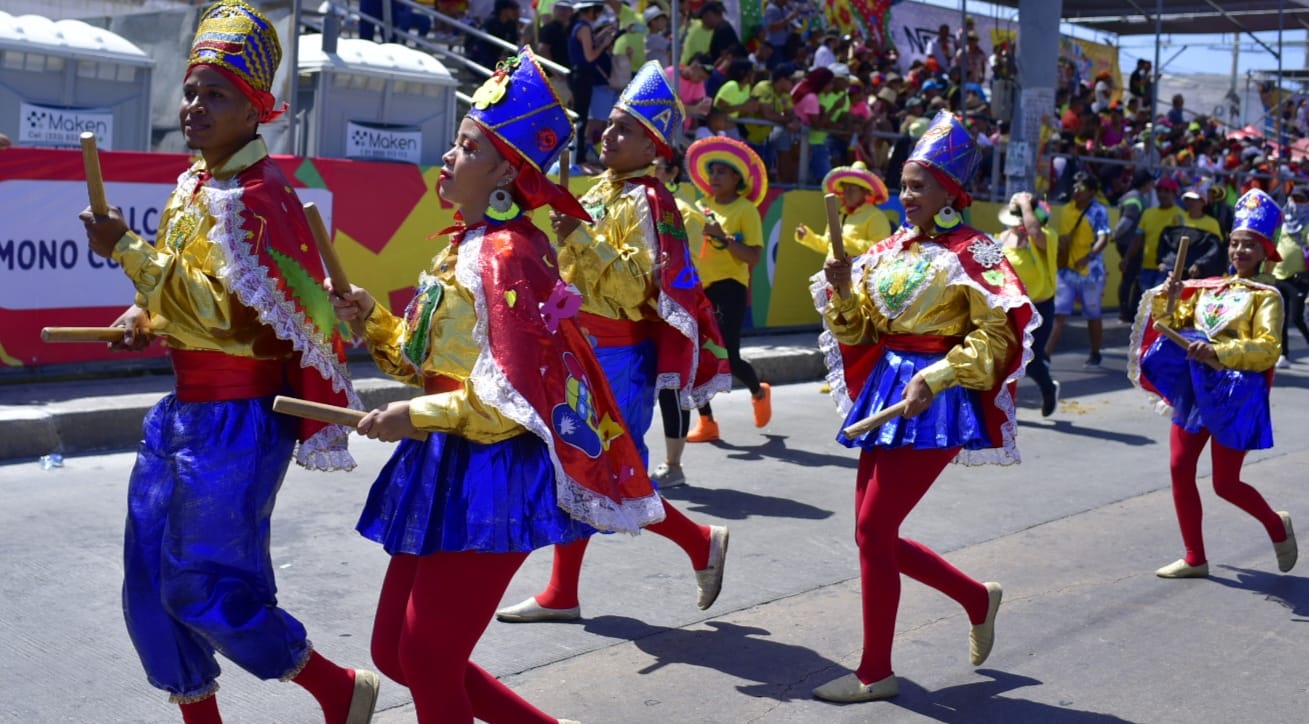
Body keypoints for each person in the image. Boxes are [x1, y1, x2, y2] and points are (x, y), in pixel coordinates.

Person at [330, 47, 656, 722]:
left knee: (425, 660)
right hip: (444, 461)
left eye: (467, 147)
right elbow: (423, 365)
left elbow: (513, 397)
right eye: (453, 143)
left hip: (490, 472)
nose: (448, 157)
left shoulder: (511, 254)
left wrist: (414, 417)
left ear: (506, 169)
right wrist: (373, 321)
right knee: (395, 654)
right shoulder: (465, 244)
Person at [78, 3, 378, 721]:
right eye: (190, 91)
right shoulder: (192, 185)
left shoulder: (259, 197)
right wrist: (142, 317)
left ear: (256, 112)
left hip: (240, 421)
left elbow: (228, 316)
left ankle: (336, 688)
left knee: (201, 586)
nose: (193, 107)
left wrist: (125, 251)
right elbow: (186, 299)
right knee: (148, 587)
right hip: (181, 411)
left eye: (215, 95)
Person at [495, 60, 733, 624]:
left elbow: (636, 286)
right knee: (579, 465)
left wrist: (576, 233)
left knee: (606, 467)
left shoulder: (650, 202)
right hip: (578, 346)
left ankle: (699, 543)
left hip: (618, 357)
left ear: (653, 147)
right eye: (609, 124)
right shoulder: (601, 191)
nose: (608, 134)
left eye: (625, 129)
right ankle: (565, 591)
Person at [811, 111, 1035, 703]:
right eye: (904, 184)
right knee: (872, 536)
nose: (906, 195)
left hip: (934, 400)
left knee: (873, 528)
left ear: (950, 192)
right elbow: (859, 332)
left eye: (918, 185)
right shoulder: (887, 251)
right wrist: (839, 292)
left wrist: (936, 377)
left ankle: (875, 672)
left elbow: (997, 335)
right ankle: (974, 598)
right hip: (888, 389)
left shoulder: (977, 251)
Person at [1129, 188, 1297, 580]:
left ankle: (1276, 525)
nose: (1239, 251)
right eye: (1235, 244)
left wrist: (1218, 353)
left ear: (1265, 251)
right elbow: (1174, 322)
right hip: (1195, 389)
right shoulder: (1211, 287)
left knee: (1225, 483)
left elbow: (1268, 349)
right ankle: (1194, 557)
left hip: (1235, 394)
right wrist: (1170, 298)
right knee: (1178, 466)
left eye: (1248, 245)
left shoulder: (1267, 297)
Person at [684, 136, 773, 442]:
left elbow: (754, 257)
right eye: (713, 171)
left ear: (737, 178)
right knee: (693, 357)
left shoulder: (745, 210)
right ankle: (707, 421)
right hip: (698, 289)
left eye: (723, 171)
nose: (715, 176)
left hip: (730, 289)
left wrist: (724, 239)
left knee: (729, 357)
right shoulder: (699, 206)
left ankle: (758, 391)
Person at [999, 193, 1061, 416]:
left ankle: (1047, 388)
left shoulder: (1046, 236)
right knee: (1005, 360)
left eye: (1023, 213)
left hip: (1039, 308)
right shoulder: (1002, 237)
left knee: (1031, 361)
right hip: (1011, 309)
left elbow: (1034, 233)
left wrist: (1025, 203)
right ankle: (1005, 409)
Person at [1047, 171, 1111, 368]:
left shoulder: (1098, 211)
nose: (1076, 190)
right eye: (1075, 186)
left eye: (1081, 187)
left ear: (1091, 192)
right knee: (1059, 313)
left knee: (1092, 314)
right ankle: (1045, 355)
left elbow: (1103, 237)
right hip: (1067, 270)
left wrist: (1089, 256)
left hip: (1091, 272)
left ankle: (1095, 352)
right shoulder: (1067, 209)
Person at [794, 161, 891, 260]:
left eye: (853, 189)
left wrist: (842, 241)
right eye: (845, 188)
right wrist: (808, 237)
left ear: (865, 192)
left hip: (858, 274)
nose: (847, 193)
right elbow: (828, 246)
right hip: (831, 272)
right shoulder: (839, 214)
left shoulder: (876, 216)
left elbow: (880, 249)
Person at [1272, 185, 1309, 367]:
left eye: (1302, 200)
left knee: (1296, 317)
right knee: (1281, 318)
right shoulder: (1283, 221)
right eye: (1295, 199)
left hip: (1298, 279)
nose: (1297, 203)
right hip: (1279, 275)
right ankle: (1284, 354)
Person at [1114, 168, 1154, 323]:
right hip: (1129, 244)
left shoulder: (1135, 196)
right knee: (1130, 278)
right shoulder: (1136, 198)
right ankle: (1126, 312)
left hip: (1128, 243)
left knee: (1130, 278)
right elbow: (1127, 221)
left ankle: (1129, 311)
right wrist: (1116, 235)